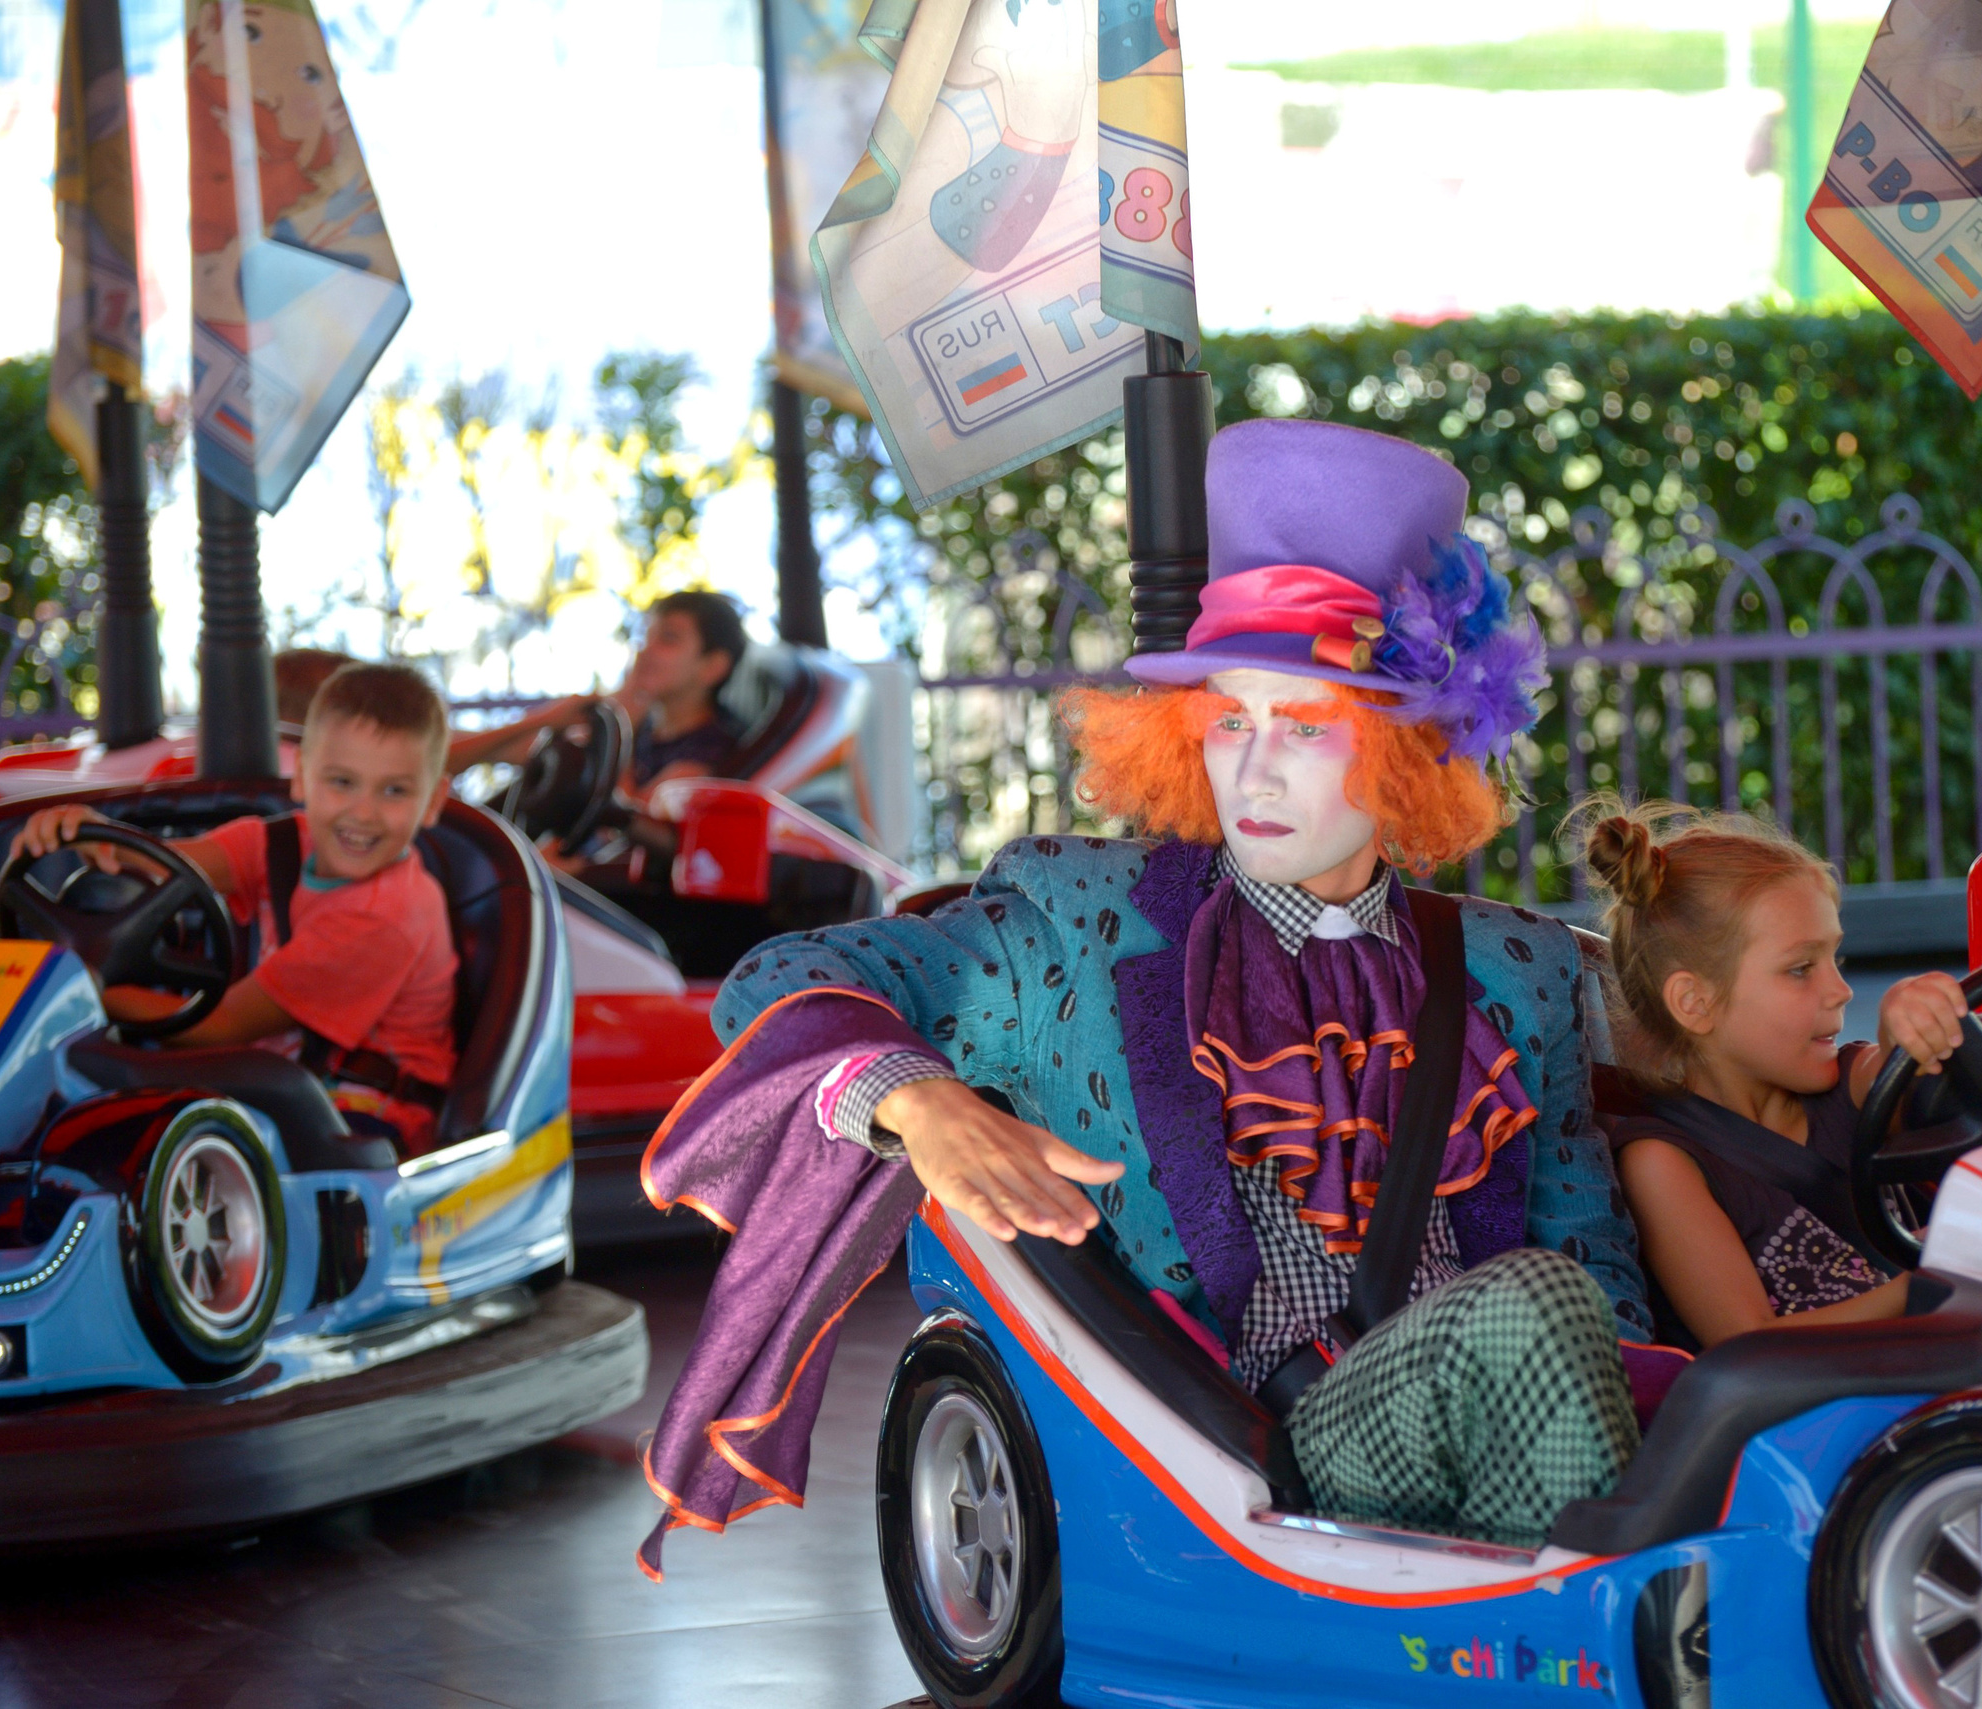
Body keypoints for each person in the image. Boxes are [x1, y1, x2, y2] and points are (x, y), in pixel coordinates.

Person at [634, 419, 1649, 1575]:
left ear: (1409, 753)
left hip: (1512, 1429)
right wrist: (919, 1100)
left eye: (1306, 728)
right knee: (1531, 1306)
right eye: (1227, 720)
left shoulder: (1516, 966)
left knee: (1578, 1317)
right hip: (1276, 1448)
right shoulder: (1077, 916)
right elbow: (778, 978)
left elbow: (1597, 1273)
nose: (1253, 770)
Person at [10, 662, 459, 1151]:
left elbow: (220, 1025)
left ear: (433, 801)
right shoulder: (283, 845)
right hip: (275, 1083)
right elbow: (159, 866)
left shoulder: (386, 915)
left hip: (366, 1120)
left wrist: (65, 990)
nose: (364, 812)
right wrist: (77, 829)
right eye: (342, 782)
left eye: (394, 791)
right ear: (303, 777)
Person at [1582, 800, 1969, 1349]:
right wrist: (1925, 1282)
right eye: (1800, 969)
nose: (1841, 991)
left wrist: (1911, 1019)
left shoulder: (1853, 1080)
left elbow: (1920, 1083)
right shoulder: (1664, 1163)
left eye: (1836, 958)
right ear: (1695, 1002)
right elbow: (1747, 1341)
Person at [445, 589, 749, 803]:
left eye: (668, 639)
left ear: (713, 667)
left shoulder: (711, 754)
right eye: (646, 637)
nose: (644, 651)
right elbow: (447, 754)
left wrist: (621, 733)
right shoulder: (641, 728)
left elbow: (622, 836)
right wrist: (549, 718)